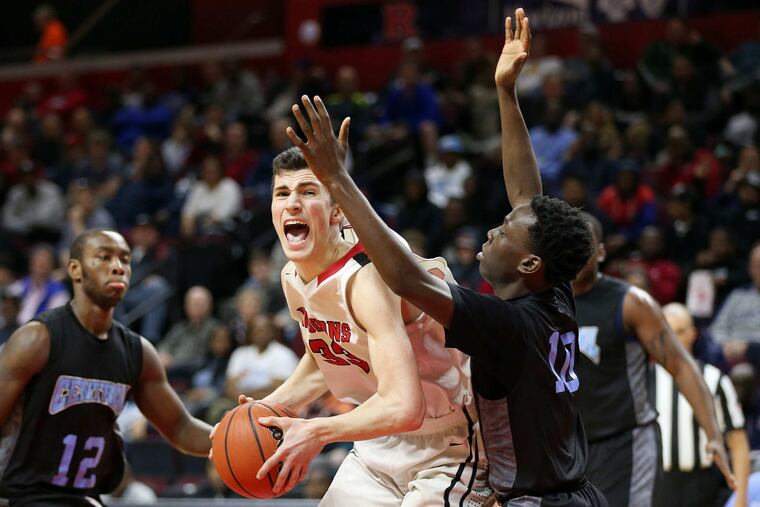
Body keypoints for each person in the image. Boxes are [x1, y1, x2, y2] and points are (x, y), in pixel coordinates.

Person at [286, 9, 607, 506]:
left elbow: (405, 277)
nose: (494, 231)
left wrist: (336, 182)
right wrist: (505, 92)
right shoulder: (555, 290)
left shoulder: (504, 324)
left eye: (503, 233)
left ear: (528, 264)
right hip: (579, 493)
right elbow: (527, 197)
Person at [237, 144, 492, 504]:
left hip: (452, 439)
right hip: (380, 436)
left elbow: (405, 405)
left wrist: (315, 432)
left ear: (337, 210)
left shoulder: (368, 275)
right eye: (282, 193)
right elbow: (328, 353)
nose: (292, 203)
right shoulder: (292, 276)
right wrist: (263, 413)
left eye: (308, 192)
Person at [0, 229, 212, 506]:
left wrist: (238, 439)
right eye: (104, 257)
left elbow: (181, 428)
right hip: (24, 497)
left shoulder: (138, 352)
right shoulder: (38, 339)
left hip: (84, 497)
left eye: (125, 260)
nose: (118, 267)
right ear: (75, 269)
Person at [572, 213, 735, 507]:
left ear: (601, 251)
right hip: (570, 446)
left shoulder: (631, 302)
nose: (575, 253)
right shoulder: (546, 303)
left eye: (584, 244)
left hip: (625, 443)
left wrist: (713, 434)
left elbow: (681, 365)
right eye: (567, 244)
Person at [657, 303, 749, 507]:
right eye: (668, 331)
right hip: (656, 483)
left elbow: (738, 441)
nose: (674, 339)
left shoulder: (714, 379)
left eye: (680, 331)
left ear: (693, 334)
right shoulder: (643, 379)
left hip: (700, 484)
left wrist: (740, 499)